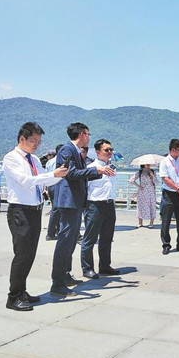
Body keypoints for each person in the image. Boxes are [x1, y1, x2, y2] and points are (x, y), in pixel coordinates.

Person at [3, 122, 68, 311]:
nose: (36, 145)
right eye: (33, 141)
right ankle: (13, 297)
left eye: (38, 142)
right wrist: (52, 174)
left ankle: (22, 291)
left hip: (34, 210)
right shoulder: (11, 158)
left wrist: (60, 175)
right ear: (22, 138)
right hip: (20, 211)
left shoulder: (34, 160)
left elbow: (43, 180)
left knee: (30, 254)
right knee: (22, 254)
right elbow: (25, 181)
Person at [51, 123, 115, 297]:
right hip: (69, 201)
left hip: (75, 201)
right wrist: (96, 170)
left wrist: (97, 171)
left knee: (71, 241)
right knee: (65, 241)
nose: (89, 137)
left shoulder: (75, 151)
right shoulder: (67, 150)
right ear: (82, 134)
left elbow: (78, 174)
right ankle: (57, 283)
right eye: (88, 134)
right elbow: (70, 174)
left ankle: (65, 275)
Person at [81, 139, 120, 279]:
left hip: (109, 204)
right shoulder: (91, 168)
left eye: (111, 149)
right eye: (106, 150)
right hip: (95, 205)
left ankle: (104, 265)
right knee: (90, 238)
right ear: (98, 152)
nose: (110, 152)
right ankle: (87, 268)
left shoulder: (112, 167)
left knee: (107, 238)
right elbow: (84, 186)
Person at [158, 139, 179, 254]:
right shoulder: (164, 162)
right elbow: (165, 179)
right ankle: (166, 244)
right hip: (169, 194)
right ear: (173, 149)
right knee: (166, 221)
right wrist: (177, 189)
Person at [44, 144, 64, 240]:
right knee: (56, 209)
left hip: (50, 186)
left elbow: (46, 175)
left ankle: (57, 230)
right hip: (57, 185)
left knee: (56, 208)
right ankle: (51, 233)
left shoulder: (50, 162)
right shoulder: (60, 161)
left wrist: (45, 188)